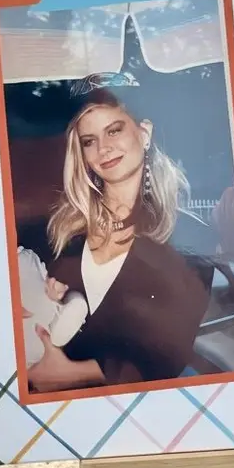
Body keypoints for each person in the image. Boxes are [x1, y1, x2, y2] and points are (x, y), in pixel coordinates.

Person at [19, 83, 215, 394]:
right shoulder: (55, 230)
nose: (103, 149)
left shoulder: (191, 237)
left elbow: (167, 351)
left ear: (144, 132)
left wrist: (71, 373)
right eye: (89, 141)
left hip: (132, 412)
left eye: (114, 130)